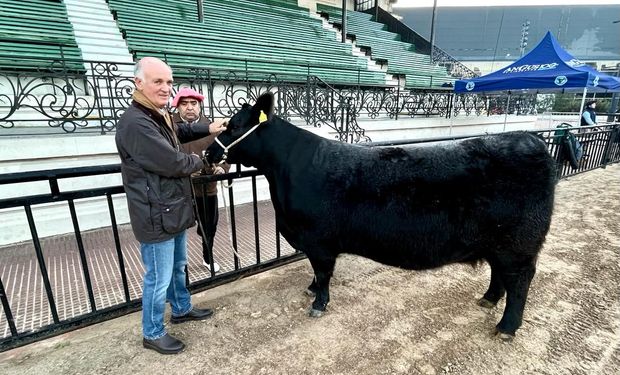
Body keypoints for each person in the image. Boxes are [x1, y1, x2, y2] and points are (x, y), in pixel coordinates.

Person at [115, 57, 227, 355]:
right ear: (138, 83)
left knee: (178, 267)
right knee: (158, 277)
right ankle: (152, 332)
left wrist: (209, 126)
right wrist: (203, 161)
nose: (166, 88)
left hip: (171, 208)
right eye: (158, 81)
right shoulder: (136, 122)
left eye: (168, 82)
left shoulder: (155, 114)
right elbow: (172, 161)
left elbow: (179, 132)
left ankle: (181, 308)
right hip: (155, 214)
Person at [172, 87, 229, 274]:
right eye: (184, 103)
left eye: (193, 103)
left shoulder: (212, 127)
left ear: (200, 106)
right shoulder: (169, 126)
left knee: (209, 227)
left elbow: (225, 154)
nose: (189, 107)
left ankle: (207, 257)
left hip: (207, 189)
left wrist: (222, 168)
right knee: (176, 229)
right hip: (178, 190)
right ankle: (177, 266)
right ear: (177, 106)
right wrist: (185, 172)